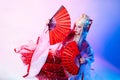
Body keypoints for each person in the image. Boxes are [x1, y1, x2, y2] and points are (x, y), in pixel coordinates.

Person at [66, 14, 94, 80]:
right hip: (66, 63)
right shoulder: (70, 36)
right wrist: (51, 23)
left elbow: (91, 57)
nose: (75, 28)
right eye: (75, 26)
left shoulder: (84, 44)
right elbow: (62, 32)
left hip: (76, 67)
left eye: (78, 27)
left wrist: (85, 59)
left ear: (83, 29)